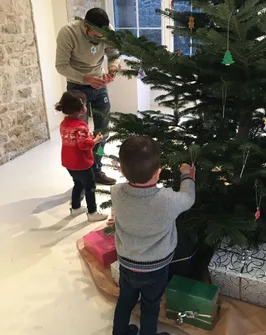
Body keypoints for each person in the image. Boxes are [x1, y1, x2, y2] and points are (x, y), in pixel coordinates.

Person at [111, 136, 196, 335]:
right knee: (150, 306)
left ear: (122, 171)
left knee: (125, 301)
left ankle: (119, 332)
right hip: (156, 267)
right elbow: (188, 198)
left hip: (127, 263)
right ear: (158, 173)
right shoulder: (167, 200)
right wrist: (187, 175)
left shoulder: (116, 192)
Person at [56, 8, 119, 185]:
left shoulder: (108, 32)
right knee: (79, 136)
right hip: (76, 88)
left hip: (99, 86)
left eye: (102, 36)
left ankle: (97, 169)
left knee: (103, 132)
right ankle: (83, 176)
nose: (100, 39)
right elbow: (61, 66)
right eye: (96, 35)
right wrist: (85, 78)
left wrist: (113, 70)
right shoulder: (68, 33)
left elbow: (114, 55)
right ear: (85, 25)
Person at [56, 90, 108, 222]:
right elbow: (84, 145)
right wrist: (96, 140)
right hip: (82, 163)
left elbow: (74, 141)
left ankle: (75, 208)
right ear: (80, 109)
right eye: (85, 104)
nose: (86, 106)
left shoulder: (64, 123)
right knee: (90, 187)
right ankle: (92, 212)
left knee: (78, 184)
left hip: (69, 162)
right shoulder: (81, 127)